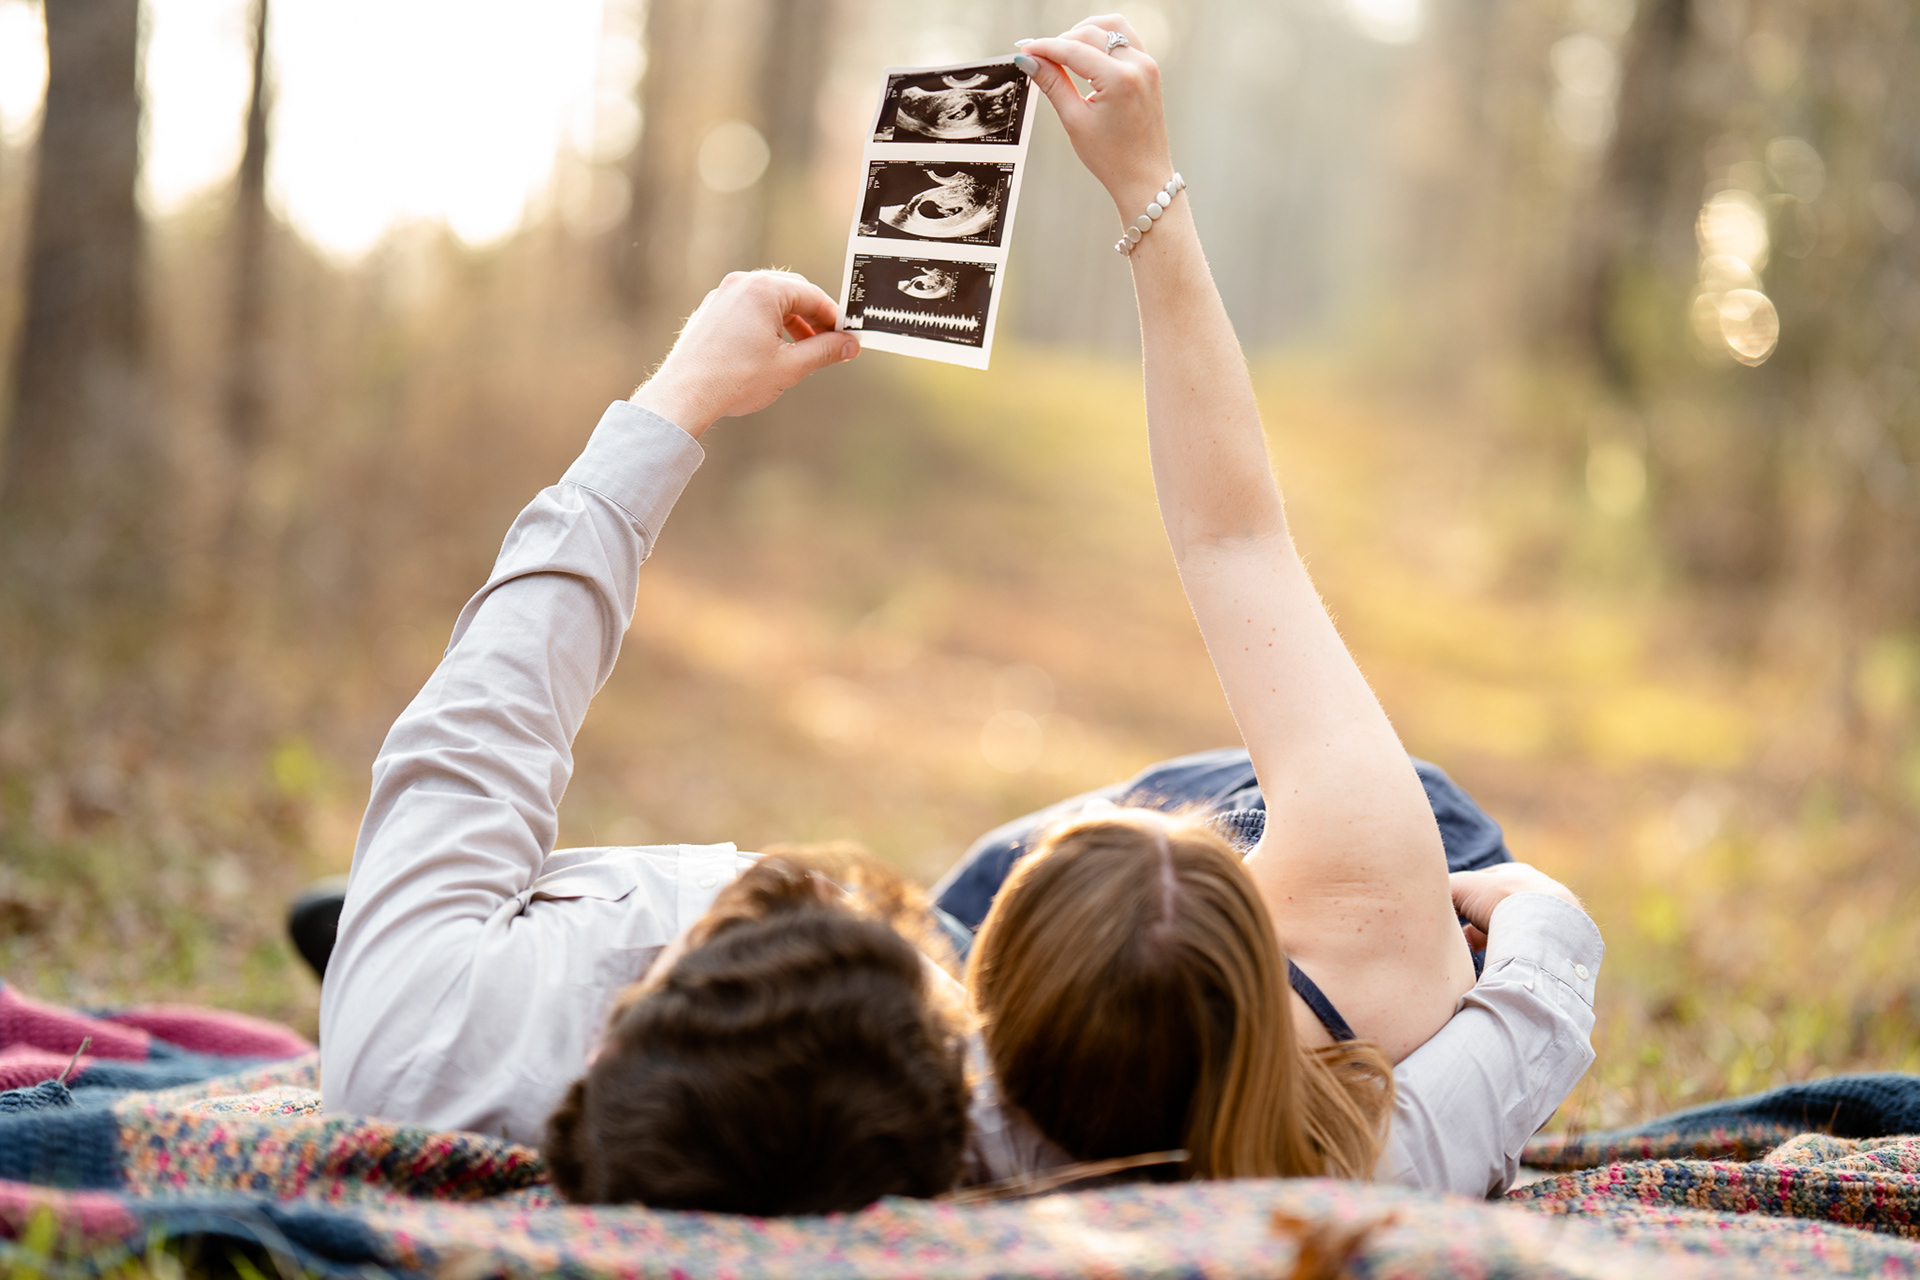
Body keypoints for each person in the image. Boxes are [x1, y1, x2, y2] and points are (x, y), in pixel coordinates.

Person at [321, 29, 1602, 1212]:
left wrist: (676, 402)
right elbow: (1239, 540)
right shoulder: (1317, 1129)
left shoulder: (416, 1044)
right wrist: (1515, 919)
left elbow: (1533, 997)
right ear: (969, 1021)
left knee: (1194, 889)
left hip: (1086, 990)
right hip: (1276, 950)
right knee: (1422, 824)